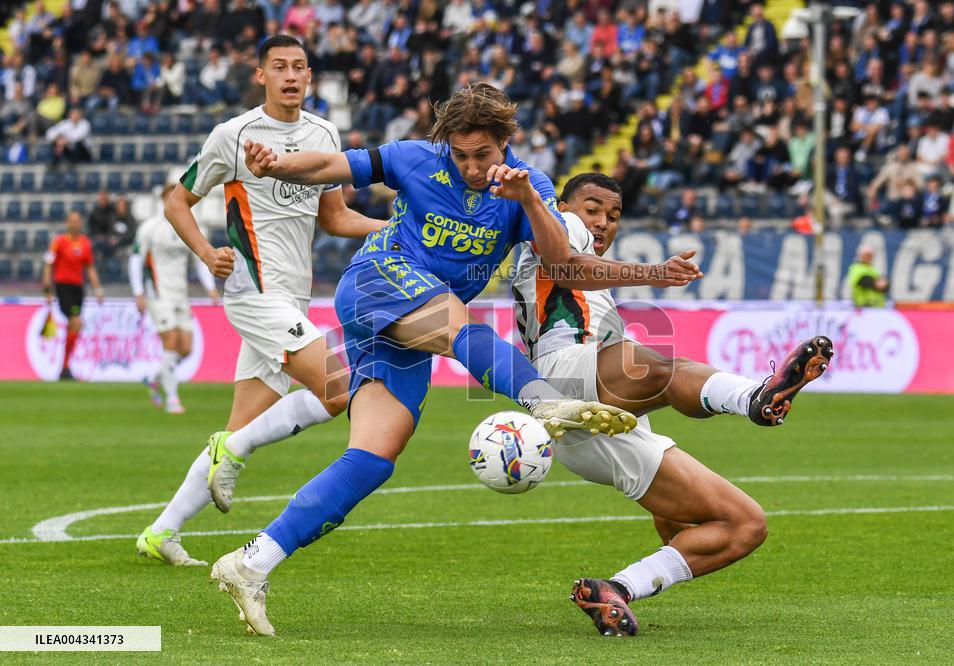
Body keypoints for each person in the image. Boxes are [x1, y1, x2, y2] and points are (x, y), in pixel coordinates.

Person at [213, 82, 700, 636]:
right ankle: (546, 403)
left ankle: (252, 563)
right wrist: (277, 165)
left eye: (481, 154)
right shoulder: (413, 157)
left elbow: (563, 264)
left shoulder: (528, 185)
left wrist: (535, 204)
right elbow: (331, 164)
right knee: (462, 326)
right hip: (377, 280)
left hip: (403, 325)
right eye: (460, 154)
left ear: (504, 144)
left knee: (372, 459)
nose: (470, 166)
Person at [513, 173, 833, 636]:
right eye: (592, 208)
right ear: (563, 206)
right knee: (661, 370)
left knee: (741, 525)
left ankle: (616, 589)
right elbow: (567, 266)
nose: (602, 222)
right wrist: (654, 273)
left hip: (582, 427)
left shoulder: (568, 245)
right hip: (567, 370)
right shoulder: (561, 226)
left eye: (613, 215)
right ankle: (755, 398)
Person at [135, 35, 384, 566]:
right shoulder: (233, 134)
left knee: (239, 426)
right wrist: (207, 253)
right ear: (261, 75)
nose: (290, 76)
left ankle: (161, 532)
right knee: (338, 390)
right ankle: (233, 451)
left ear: (310, 76)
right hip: (253, 290)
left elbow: (336, 217)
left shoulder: (324, 133)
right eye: (280, 67)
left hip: (294, 297)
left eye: (299, 67)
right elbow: (178, 202)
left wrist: (392, 229)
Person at [128, 184, 221, 415]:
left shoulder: (188, 228)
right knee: (170, 343)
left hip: (181, 294)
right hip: (158, 294)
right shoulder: (150, 227)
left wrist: (210, 287)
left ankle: (154, 377)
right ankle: (172, 398)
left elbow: (199, 259)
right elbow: (135, 260)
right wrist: (138, 292)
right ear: (162, 201)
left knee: (186, 348)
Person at [41, 211, 104, 381]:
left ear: (80, 224)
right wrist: (47, 289)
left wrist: (98, 289)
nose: (75, 224)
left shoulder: (85, 243)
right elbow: (48, 265)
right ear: (67, 223)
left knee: (73, 327)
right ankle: (65, 366)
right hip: (63, 287)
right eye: (72, 221)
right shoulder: (58, 242)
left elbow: (89, 267)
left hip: (78, 289)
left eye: (77, 221)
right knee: (76, 321)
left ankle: (65, 368)